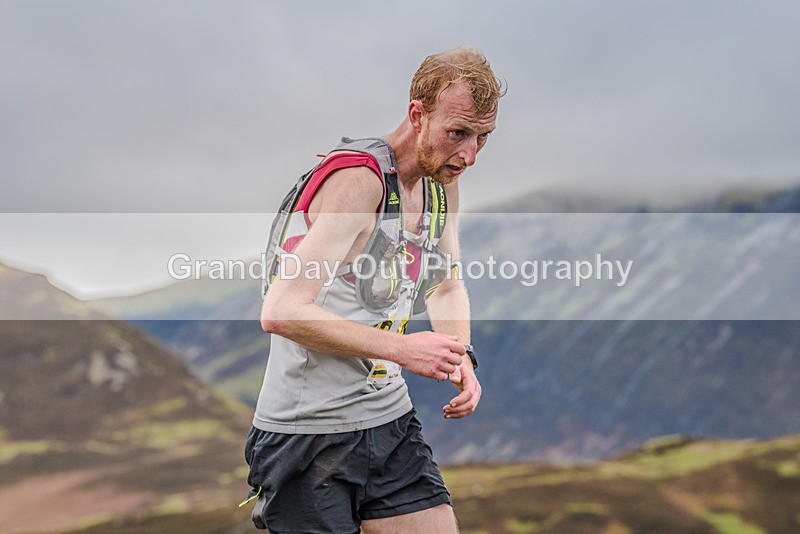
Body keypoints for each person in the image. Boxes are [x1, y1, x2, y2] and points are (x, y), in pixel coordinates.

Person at [244, 45, 503, 533]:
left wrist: (460, 354)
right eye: (458, 133)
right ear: (417, 115)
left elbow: (445, 284)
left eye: (483, 137)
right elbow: (281, 311)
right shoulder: (358, 182)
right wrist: (404, 349)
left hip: (388, 422)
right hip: (307, 434)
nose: (469, 154)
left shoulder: (439, 184)